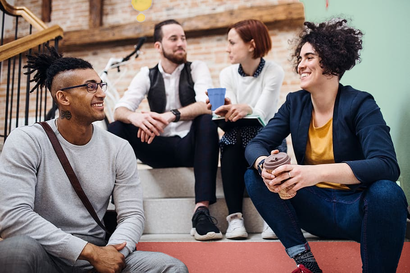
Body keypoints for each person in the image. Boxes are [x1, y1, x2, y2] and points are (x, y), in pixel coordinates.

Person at [0, 46, 188, 273]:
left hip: (98, 258)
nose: (101, 93)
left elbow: (132, 214)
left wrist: (111, 255)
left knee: (170, 267)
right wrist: (89, 251)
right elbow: (13, 217)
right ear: (63, 97)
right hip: (45, 255)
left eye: (100, 85)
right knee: (16, 249)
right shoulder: (27, 140)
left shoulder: (118, 148)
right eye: (90, 87)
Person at [244, 18, 408, 273]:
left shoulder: (360, 104)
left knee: (388, 192)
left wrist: (313, 173)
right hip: (315, 209)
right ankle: (306, 262)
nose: (301, 64)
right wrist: (265, 166)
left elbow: (387, 165)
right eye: (299, 58)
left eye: (309, 57)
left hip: (356, 209)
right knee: (253, 175)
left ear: (330, 61)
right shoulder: (294, 103)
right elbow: (257, 144)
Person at [108, 19, 221, 241]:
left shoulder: (196, 68)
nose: (181, 44)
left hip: (191, 147)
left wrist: (171, 115)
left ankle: (201, 211)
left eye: (183, 38)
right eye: (174, 39)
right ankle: (114, 209)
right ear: (158, 46)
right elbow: (119, 109)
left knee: (208, 120)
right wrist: (136, 118)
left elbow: (207, 105)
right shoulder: (146, 75)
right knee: (116, 127)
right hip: (157, 148)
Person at [208, 19, 285, 239]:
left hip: (268, 136)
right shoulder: (227, 73)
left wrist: (244, 108)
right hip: (237, 136)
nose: (227, 48)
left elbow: (262, 113)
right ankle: (235, 218)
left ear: (251, 45)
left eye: (232, 43)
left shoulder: (273, 71)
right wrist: (221, 110)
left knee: (247, 137)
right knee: (232, 139)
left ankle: (271, 217)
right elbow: (231, 113)